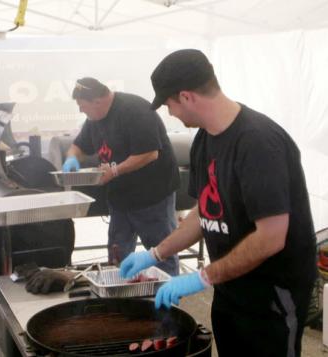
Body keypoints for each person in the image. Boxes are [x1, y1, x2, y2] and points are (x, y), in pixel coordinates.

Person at [119, 49, 316, 356]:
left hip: (272, 295)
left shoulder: (258, 142)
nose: (170, 113)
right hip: (230, 288)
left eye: (169, 104)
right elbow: (203, 213)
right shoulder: (204, 140)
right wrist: (156, 253)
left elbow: (272, 237)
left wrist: (202, 277)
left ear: (186, 97)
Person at [62, 77, 181, 275]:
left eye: (82, 106)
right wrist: (71, 158)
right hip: (120, 197)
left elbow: (150, 153)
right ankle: (121, 293)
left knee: (161, 251)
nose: (81, 111)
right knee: (118, 252)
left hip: (152, 195)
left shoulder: (135, 111)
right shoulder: (94, 119)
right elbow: (79, 146)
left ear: (97, 101)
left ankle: (168, 298)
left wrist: (115, 171)